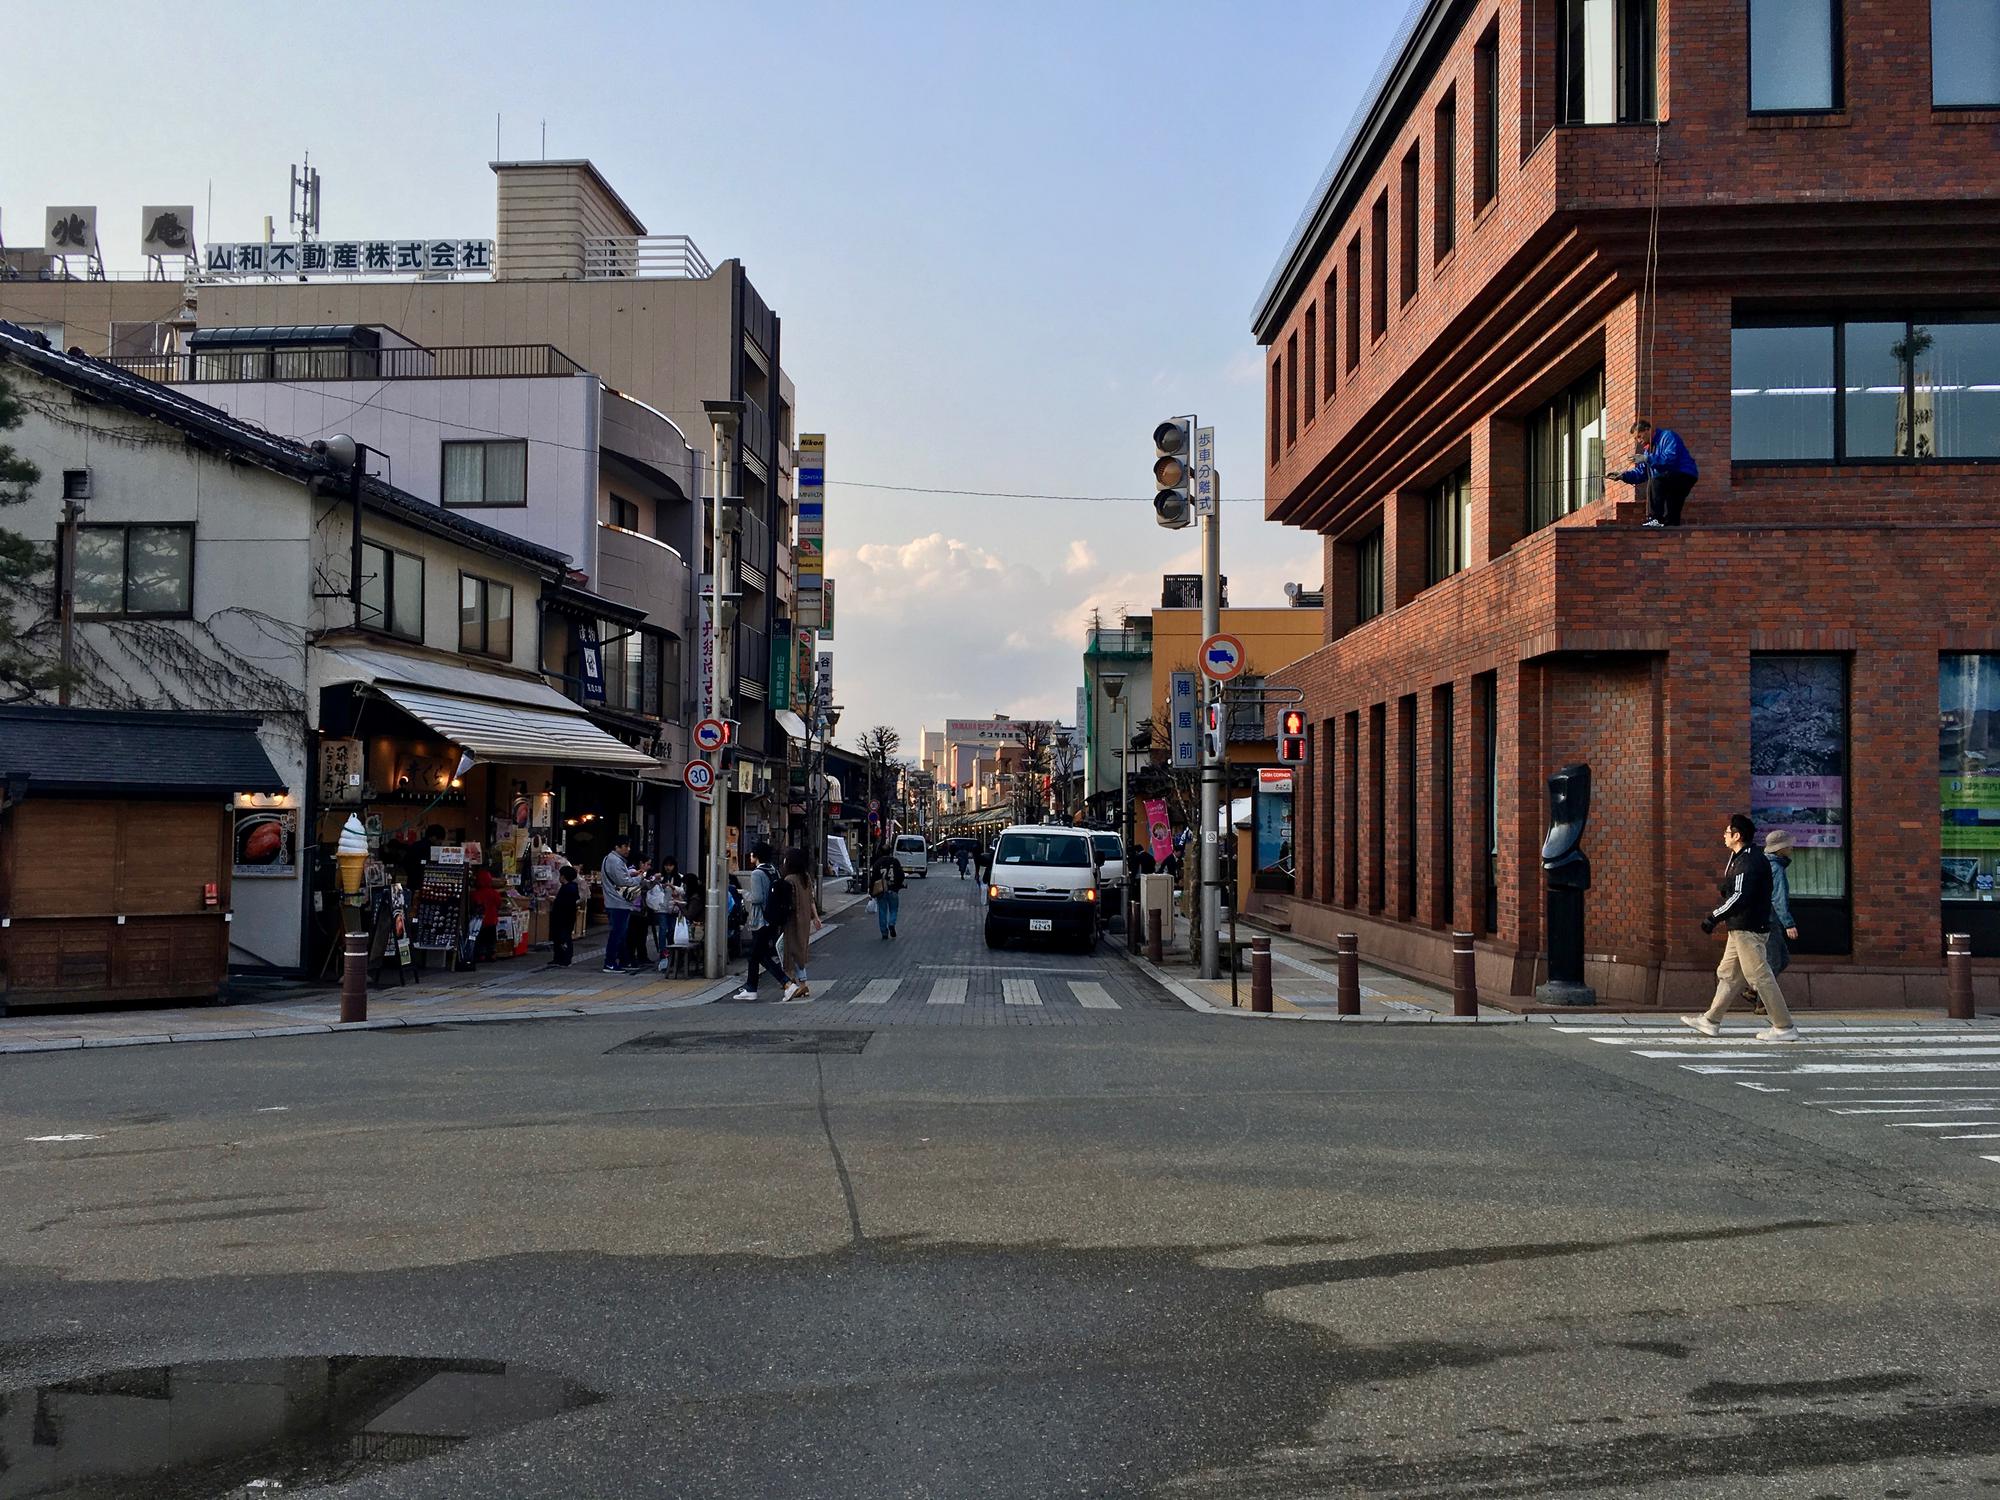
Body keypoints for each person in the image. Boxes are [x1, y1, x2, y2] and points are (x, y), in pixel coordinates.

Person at [1683, 814, 1798, 1042]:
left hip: (1748, 928)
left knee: (1760, 976)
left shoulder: (1749, 861)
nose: (1724, 836)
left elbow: (1740, 896)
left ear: (1737, 836)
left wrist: (1713, 917)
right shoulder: (1740, 858)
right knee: (1730, 975)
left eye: (1727, 832)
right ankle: (1710, 1020)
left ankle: (1784, 1027)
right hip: (1740, 927)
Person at [731, 841, 796, 1001]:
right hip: (772, 918)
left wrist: (744, 893)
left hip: (760, 920)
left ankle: (787, 983)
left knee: (758, 955)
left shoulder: (757, 874)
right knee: (756, 955)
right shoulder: (773, 870)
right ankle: (751, 988)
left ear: (756, 855)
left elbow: (758, 898)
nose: (750, 855)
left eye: (752, 853)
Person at [1746, 829, 1801, 1015]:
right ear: (1781, 849)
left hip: (1759, 919)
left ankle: (1754, 991)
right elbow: (1778, 898)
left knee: (1777, 959)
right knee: (1775, 960)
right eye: (1789, 845)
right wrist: (1789, 923)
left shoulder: (1762, 863)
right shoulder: (1775, 868)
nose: (1792, 847)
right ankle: (1763, 1002)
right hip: (1769, 920)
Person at [1618, 418, 1699, 529]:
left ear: (1648, 430)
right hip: (1672, 477)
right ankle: (1670, 533)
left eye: (1639, 436)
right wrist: (1622, 476)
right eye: (1636, 439)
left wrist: (1647, 458)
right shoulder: (1648, 450)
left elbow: (1670, 459)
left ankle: (1655, 518)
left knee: (1656, 481)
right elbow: (1642, 472)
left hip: (1683, 473)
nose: (1638, 441)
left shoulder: (1667, 436)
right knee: (1672, 515)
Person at [779, 846, 822, 1001]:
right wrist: (816, 917)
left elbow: (787, 902)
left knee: (792, 950)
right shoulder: (805, 877)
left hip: (793, 920)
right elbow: (811, 900)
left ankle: (799, 983)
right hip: (804, 919)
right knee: (800, 950)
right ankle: (796, 982)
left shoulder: (789, 880)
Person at [599, 835, 640, 974]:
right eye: (625, 846)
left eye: (628, 846)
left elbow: (621, 877)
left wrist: (631, 874)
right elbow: (624, 882)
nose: (628, 849)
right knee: (617, 934)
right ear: (617, 847)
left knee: (620, 934)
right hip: (618, 902)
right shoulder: (615, 861)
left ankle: (623, 960)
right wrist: (640, 878)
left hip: (615, 902)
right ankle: (610, 962)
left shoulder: (610, 859)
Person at [870, 845, 906, 939]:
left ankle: (884, 932)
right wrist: (899, 884)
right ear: (890, 852)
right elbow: (901, 875)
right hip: (893, 889)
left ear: (880, 852)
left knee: (882, 911)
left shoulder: (877, 863)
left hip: (881, 890)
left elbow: (873, 878)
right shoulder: (895, 861)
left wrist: (871, 891)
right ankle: (891, 923)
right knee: (893, 909)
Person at [548, 865, 579, 968]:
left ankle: (564, 959)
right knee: (559, 937)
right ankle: (558, 958)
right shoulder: (571, 887)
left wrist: (554, 900)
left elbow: (564, 903)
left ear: (563, 876)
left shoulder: (568, 888)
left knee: (563, 937)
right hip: (566, 917)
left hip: (564, 917)